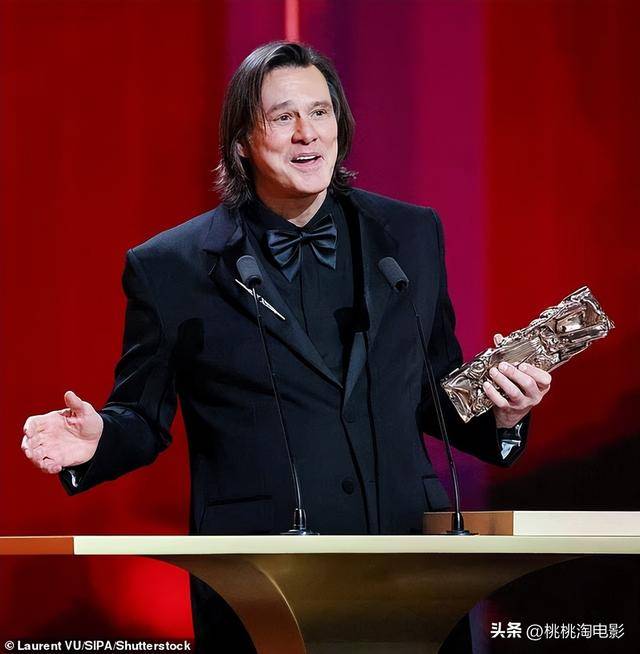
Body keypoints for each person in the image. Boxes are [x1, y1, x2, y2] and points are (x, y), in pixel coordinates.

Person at [21, 42, 551, 652]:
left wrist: (503, 414)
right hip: (263, 580)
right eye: (282, 117)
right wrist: (99, 440)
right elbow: (142, 417)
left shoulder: (410, 234)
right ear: (241, 143)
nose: (307, 133)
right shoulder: (171, 267)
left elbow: (434, 392)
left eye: (320, 112)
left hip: (410, 567)